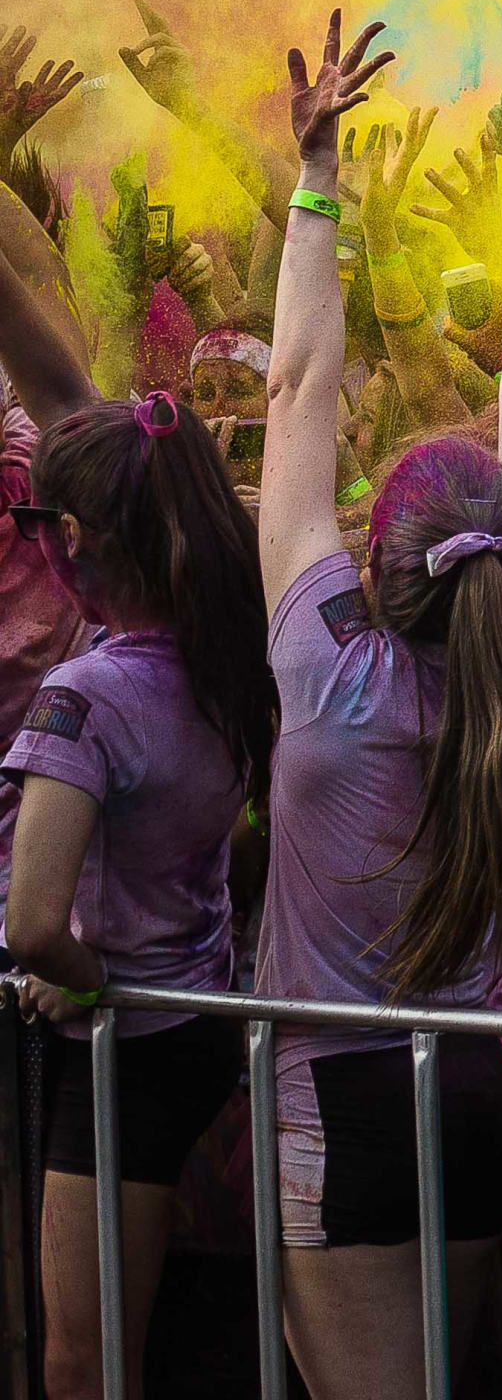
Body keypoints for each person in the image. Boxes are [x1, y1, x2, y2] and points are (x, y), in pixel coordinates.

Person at [254, 13, 502, 1400]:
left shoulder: (328, 664)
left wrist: (318, 180)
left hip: (342, 1094)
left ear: (375, 568)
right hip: (475, 1089)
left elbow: (296, 392)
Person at [2, 391, 275, 1400]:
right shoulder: (229, 659)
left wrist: (74, 977)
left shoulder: (88, 695)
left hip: (122, 1043)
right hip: (196, 1010)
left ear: (70, 539)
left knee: (83, 1358)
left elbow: (35, 922)